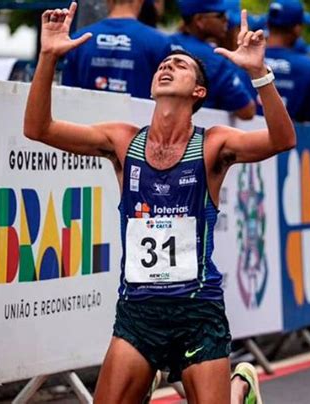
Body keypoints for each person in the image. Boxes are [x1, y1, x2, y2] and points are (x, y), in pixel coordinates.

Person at [24, 3, 295, 403]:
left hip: (197, 313)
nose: (167, 67)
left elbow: (282, 140)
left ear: (199, 91)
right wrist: (48, 57)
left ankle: (237, 389)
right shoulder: (122, 140)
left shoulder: (213, 144)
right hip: (138, 314)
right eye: (163, 65)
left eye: (180, 66)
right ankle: (160, 375)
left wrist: (259, 73)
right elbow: (38, 128)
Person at [62, 0, 171, 99]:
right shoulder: (159, 42)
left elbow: (66, 95)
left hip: (82, 118)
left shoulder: (79, 39)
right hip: (139, 120)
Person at [170, 0, 255, 120]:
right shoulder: (214, 57)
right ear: (199, 20)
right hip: (197, 134)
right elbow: (247, 111)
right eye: (220, 15)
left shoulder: (163, 42)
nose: (227, 19)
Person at [264, 0, 310, 121]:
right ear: (297, 29)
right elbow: (309, 116)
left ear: (267, 24)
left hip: (247, 135)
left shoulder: (246, 60)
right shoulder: (309, 67)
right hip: (291, 136)